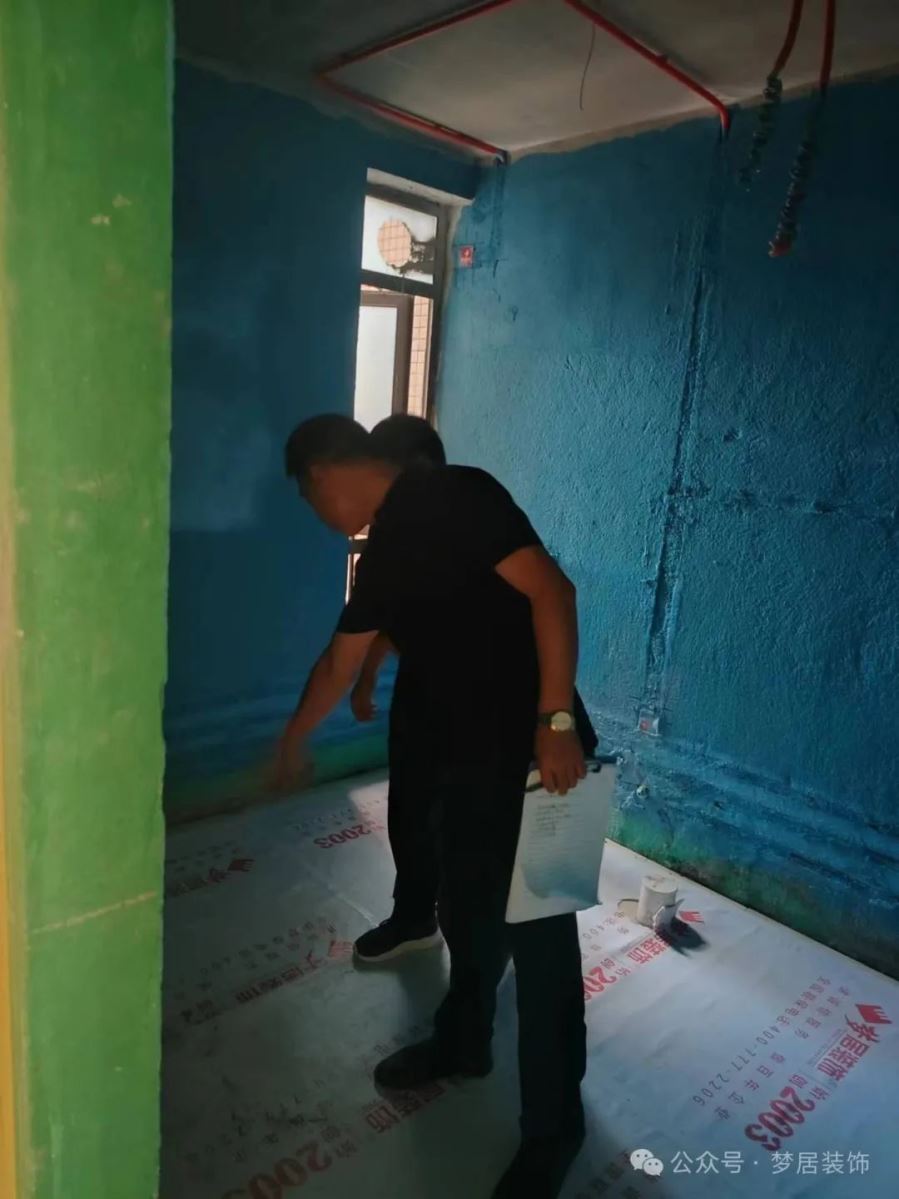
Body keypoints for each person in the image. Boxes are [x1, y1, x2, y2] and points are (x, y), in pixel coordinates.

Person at [278, 414, 591, 1199]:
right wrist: (294, 737)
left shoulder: (457, 494)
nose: (317, 516)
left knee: (545, 949)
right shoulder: (384, 553)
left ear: (325, 476)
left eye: (309, 499)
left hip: (547, 759)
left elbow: (553, 591)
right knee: (470, 913)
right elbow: (340, 658)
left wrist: (554, 720)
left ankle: (554, 1131)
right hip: (472, 765)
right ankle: (462, 1042)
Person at [352, 414, 598, 965]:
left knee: (498, 854)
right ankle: (415, 918)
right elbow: (392, 619)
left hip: (503, 709)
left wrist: (556, 722)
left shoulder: (468, 507)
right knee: (412, 815)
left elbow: (555, 595)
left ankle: (489, 961)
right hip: (428, 705)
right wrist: (367, 678)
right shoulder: (398, 537)